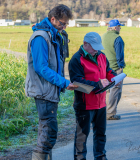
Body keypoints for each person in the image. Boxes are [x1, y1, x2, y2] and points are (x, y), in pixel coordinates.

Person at [25, 4, 78, 160]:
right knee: (49, 133)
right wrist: (63, 82)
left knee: (45, 132)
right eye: (62, 23)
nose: (64, 26)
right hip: (43, 90)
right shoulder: (41, 37)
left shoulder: (53, 34)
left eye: (66, 23)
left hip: (49, 89)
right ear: (52, 19)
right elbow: (41, 67)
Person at [68, 32, 117, 160]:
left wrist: (114, 78)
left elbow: (108, 71)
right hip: (84, 105)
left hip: (101, 103)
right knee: (82, 136)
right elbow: (77, 82)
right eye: (94, 47)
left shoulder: (102, 56)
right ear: (85, 44)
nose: (97, 50)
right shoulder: (76, 60)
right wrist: (98, 84)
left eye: (98, 46)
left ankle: (101, 157)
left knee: (101, 134)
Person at [102, 19, 125, 120]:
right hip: (115, 67)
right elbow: (119, 54)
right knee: (116, 90)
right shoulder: (117, 38)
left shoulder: (103, 36)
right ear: (115, 27)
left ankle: (105, 111)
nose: (120, 28)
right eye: (119, 27)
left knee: (106, 90)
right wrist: (121, 65)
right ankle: (110, 113)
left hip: (104, 67)